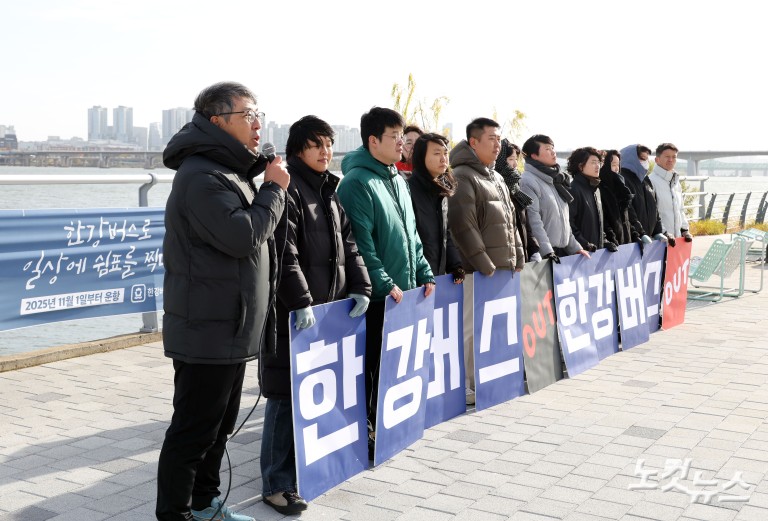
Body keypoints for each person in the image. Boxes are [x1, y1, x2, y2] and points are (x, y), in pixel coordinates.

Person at [157, 81, 289, 521]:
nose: (257, 124)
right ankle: (175, 513)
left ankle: (205, 503)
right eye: (248, 115)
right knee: (194, 432)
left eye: (259, 115)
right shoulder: (201, 176)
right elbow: (241, 236)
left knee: (218, 430)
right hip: (205, 329)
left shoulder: (229, 171)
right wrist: (273, 190)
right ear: (218, 122)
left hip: (229, 327)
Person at [259, 116, 372, 515]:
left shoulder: (331, 189)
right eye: (316, 144)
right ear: (297, 150)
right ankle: (276, 483)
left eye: (328, 143)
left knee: (319, 390)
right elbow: (282, 252)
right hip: (295, 314)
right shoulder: (288, 188)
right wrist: (301, 300)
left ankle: (309, 469)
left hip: (331, 312)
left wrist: (361, 287)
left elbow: (350, 244)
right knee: (285, 396)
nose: (325, 151)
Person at [336, 107, 435, 458]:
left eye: (401, 137)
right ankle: (366, 434)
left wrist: (423, 271)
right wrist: (383, 282)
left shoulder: (395, 177)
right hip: (380, 298)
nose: (402, 144)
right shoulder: (356, 183)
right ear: (372, 140)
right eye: (394, 137)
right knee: (371, 370)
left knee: (394, 366)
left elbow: (411, 236)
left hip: (403, 292)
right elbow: (361, 244)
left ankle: (389, 426)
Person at [447, 118, 524, 406]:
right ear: (473, 142)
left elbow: (510, 221)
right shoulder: (463, 176)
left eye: (499, 138)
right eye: (491, 138)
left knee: (493, 326)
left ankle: (488, 377)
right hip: (476, 270)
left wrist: (517, 255)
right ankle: (467, 384)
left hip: (500, 266)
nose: (497, 144)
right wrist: (484, 263)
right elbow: (462, 225)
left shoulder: (497, 177)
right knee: (470, 327)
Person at [519, 134, 591, 263]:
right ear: (534, 156)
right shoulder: (528, 181)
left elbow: (563, 221)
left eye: (553, 148)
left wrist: (575, 248)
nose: (553, 152)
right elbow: (533, 220)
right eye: (547, 149)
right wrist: (547, 252)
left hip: (560, 252)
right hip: (545, 256)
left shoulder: (555, 180)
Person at [407, 132, 464, 280]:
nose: (443, 158)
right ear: (421, 156)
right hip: (417, 278)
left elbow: (446, 233)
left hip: (437, 276)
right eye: (437, 153)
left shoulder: (441, 190)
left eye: (446, 153)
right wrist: (422, 273)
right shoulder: (409, 190)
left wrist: (455, 265)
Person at [494, 138, 541, 262]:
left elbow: (526, 223)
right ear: (499, 161)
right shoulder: (495, 186)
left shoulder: (515, 186)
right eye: (510, 159)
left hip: (521, 255)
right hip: (506, 259)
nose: (515, 164)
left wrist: (534, 249)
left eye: (516, 159)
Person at [619, 144, 675, 247]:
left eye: (647, 159)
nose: (646, 162)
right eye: (642, 159)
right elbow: (628, 211)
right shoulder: (623, 180)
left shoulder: (645, 180)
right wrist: (641, 233)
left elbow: (654, 207)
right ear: (632, 159)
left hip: (649, 240)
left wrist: (658, 231)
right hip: (633, 242)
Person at [566, 147, 617, 252]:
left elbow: (598, 223)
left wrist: (604, 241)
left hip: (595, 254)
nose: (598, 166)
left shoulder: (595, 189)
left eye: (599, 162)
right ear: (580, 166)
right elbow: (569, 225)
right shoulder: (573, 189)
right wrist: (585, 244)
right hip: (579, 255)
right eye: (593, 162)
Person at [650, 143, 693, 242]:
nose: (671, 160)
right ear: (657, 159)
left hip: (676, 240)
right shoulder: (651, 181)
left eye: (674, 157)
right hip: (660, 241)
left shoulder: (675, 182)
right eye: (667, 157)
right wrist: (664, 233)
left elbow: (680, 209)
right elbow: (652, 215)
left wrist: (685, 230)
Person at [599, 149, 639, 246]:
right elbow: (604, 221)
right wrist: (611, 240)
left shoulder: (621, 188)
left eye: (618, 165)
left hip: (625, 242)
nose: (617, 168)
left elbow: (626, 219)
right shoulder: (601, 188)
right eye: (613, 165)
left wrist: (635, 234)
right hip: (611, 247)